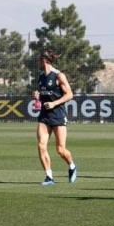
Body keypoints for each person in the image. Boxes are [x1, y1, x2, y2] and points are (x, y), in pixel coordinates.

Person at [33, 50, 77, 186]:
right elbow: (43, 93)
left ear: (45, 60)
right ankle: (49, 177)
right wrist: (37, 96)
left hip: (58, 115)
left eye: (39, 59)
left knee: (60, 150)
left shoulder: (59, 76)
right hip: (44, 116)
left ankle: (72, 166)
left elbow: (69, 95)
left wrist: (54, 103)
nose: (38, 61)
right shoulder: (41, 76)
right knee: (41, 145)